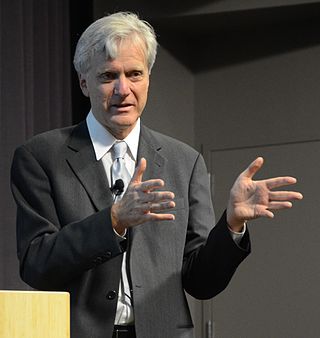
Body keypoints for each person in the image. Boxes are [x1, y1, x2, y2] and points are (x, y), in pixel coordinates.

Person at [10, 12, 303, 338]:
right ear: (83, 82)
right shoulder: (40, 156)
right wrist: (114, 221)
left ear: (148, 78)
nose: (123, 89)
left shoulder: (183, 161)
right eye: (109, 76)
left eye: (135, 74)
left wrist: (231, 224)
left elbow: (201, 282)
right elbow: (36, 266)